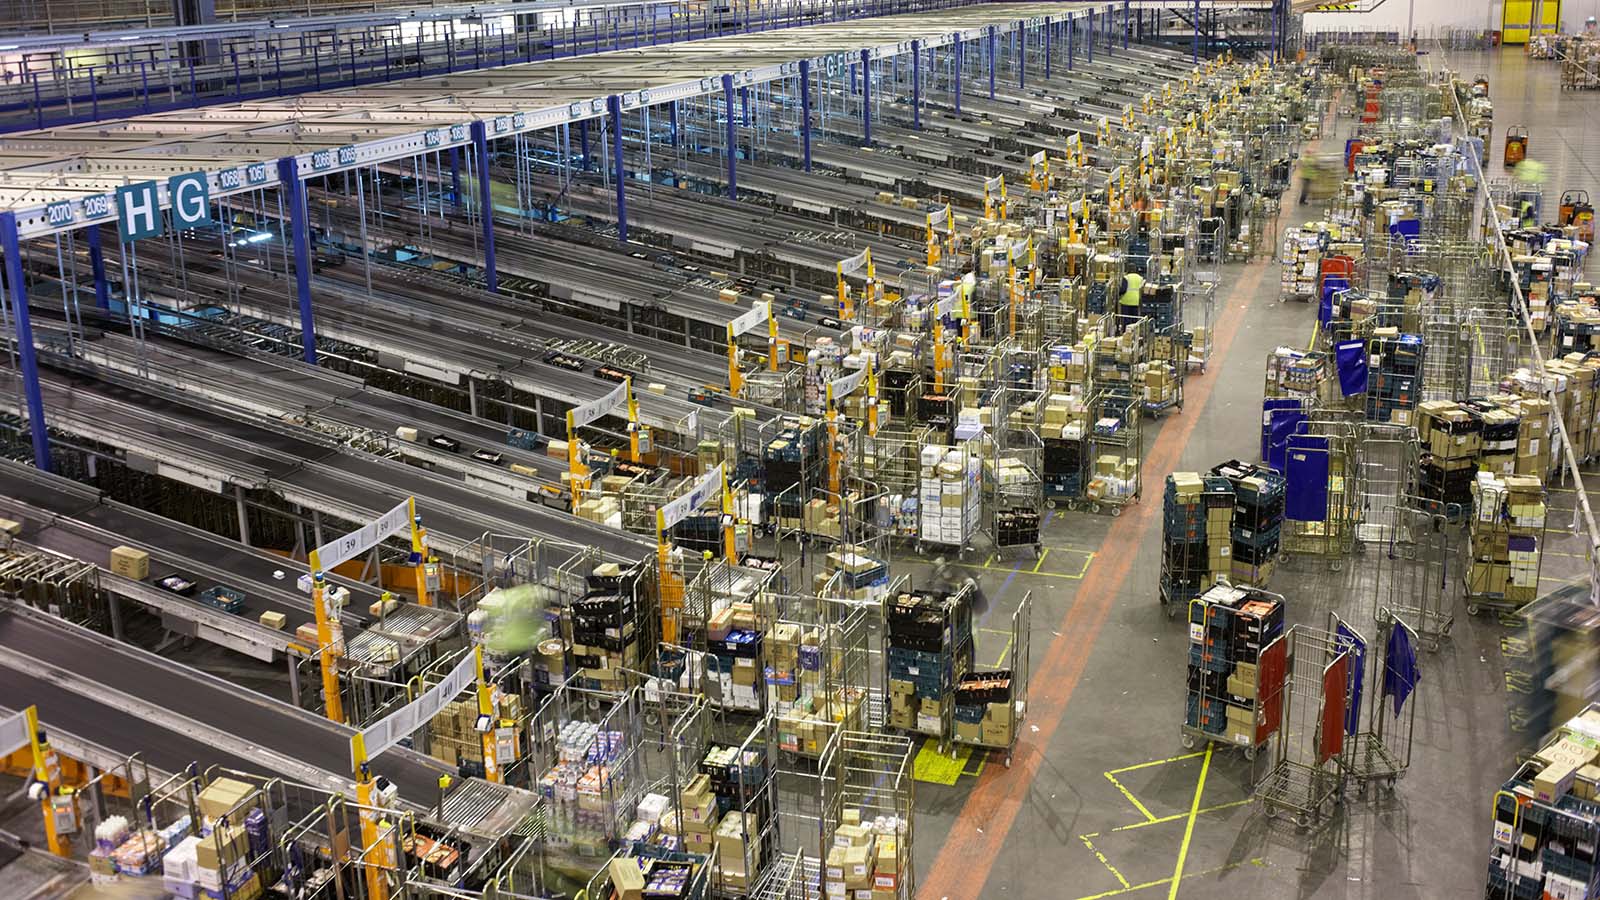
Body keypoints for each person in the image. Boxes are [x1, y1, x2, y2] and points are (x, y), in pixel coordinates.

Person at [1117, 271, 1145, 335]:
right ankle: (1134, 334)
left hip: (1126, 301)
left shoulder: (1126, 278)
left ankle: (1126, 335)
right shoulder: (1140, 278)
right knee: (1135, 320)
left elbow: (1123, 289)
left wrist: (1119, 293)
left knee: (1126, 320)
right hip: (1136, 301)